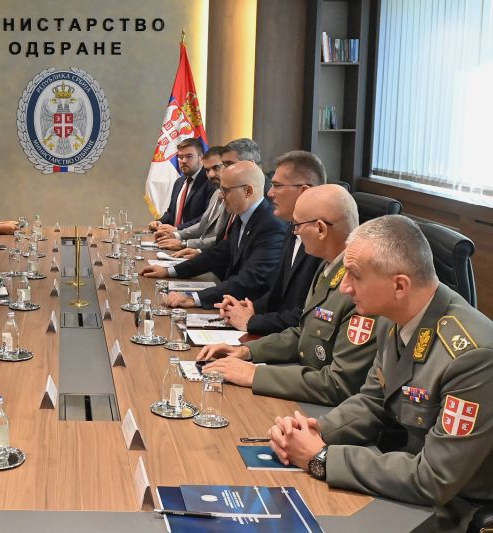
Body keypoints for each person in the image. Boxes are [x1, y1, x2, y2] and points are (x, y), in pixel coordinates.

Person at [267, 215, 493, 531]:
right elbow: (373, 400)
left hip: (455, 508)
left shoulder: (473, 356)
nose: (344, 287)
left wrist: (323, 458)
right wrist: (315, 431)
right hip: (401, 480)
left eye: (355, 276)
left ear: (399, 285)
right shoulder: (392, 317)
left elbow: (434, 479)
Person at [198, 185, 377, 405]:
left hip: (325, 402)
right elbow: (304, 333)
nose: (295, 232)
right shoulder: (328, 267)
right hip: (304, 382)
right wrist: (246, 351)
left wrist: (255, 374)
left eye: (297, 225)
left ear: (320, 229)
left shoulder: (359, 286)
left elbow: (340, 385)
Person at [140, 160, 286, 309]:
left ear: (248, 191)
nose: (221, 196)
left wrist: (194, 299)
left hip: (252, 310)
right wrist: (170, 271)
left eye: (226, 190)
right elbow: (219, 254)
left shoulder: (271, 225)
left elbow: (251, 280)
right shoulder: (243, 215)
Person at [217, 150, 326, 335]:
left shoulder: (322, 242)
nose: (270, 193)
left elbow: (306, 316)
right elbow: (278, 294)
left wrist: (252, 321)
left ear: (304, 191)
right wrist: (248, 307)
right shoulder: (292, 229)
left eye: (277, 186)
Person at [157, 138, 263, 256]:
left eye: (226, 165)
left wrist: (185, 244)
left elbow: (224, 241)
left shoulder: (256, 201)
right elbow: (205, 226)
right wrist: (177, 235)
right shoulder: (218, 193)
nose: (211, 174)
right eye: (207, 170)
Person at [148, 137, 216, 232]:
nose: (183, 161)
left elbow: (206, 218)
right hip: (172, 237)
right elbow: (171, 212)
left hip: (194, 238)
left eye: (189, 156)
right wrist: (159, 222)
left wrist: (177, 229)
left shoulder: (211, 182)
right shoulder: (179, 182)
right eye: (180, 157)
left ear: (201, 158)